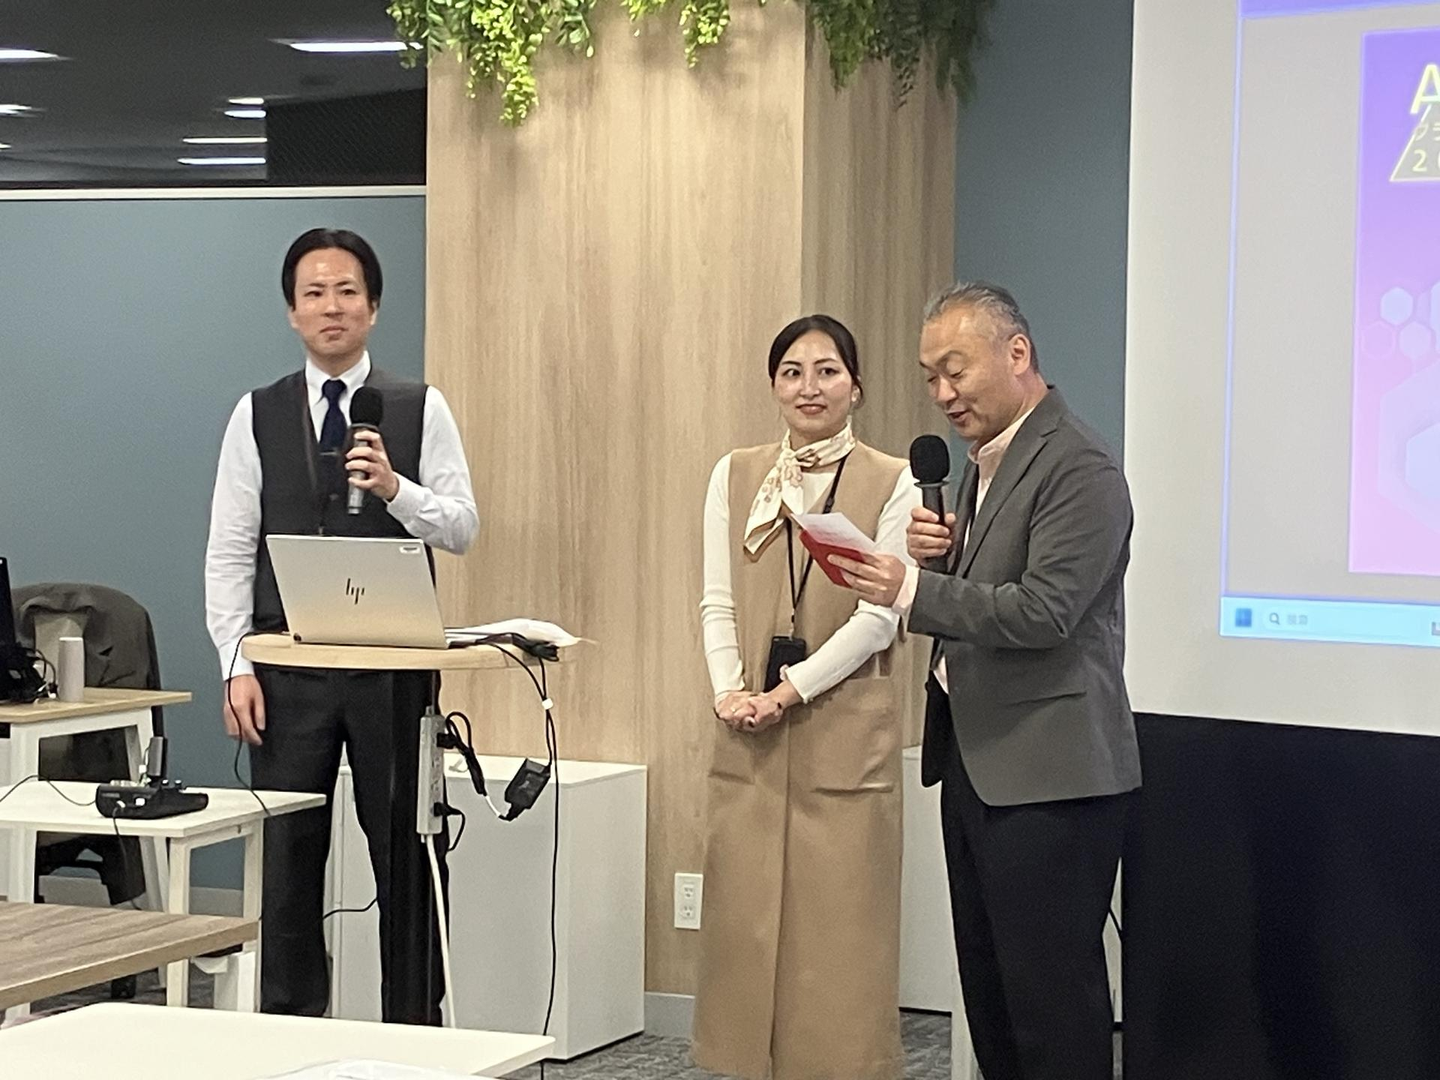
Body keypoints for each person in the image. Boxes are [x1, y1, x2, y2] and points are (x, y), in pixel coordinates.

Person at [833, 283, 1141, 1080]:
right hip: (978, 760)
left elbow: (1045, 612)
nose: (943, 394)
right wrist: (943, 561)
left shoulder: (1079, 466)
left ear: (1017, 353)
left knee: (1050, 1007)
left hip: (1052, 776)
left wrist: (913, 589)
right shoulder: (986, 465)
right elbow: (991, 595)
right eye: (930, 377)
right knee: (993, 999)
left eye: (956, 370)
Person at [204, 227, 478, 1019]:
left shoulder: (419, 406)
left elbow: (462, 526)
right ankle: (290, 1028)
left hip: (393, 670)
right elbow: (230, 548)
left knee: (407, 851)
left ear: (374, 307)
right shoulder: (256, 414)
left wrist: (396, 489)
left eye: (347, 291)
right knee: (287, 861)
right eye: (315, 293)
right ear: (293, 312)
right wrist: (235, 663)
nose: (332, 307)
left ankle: (414, 1031)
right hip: (287, 671)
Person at [692, 314, 919, 1080]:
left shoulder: (893, 479)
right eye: (792, 371)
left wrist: (788, 692)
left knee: (840, 938)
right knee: (744, 928)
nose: (809, 386)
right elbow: (717, 600)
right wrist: (730, 690)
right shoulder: (736, 475)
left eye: (827, 370)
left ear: (856, 386)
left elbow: (879, 618)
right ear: (773, 386)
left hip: (839, 725)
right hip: (749, 728)